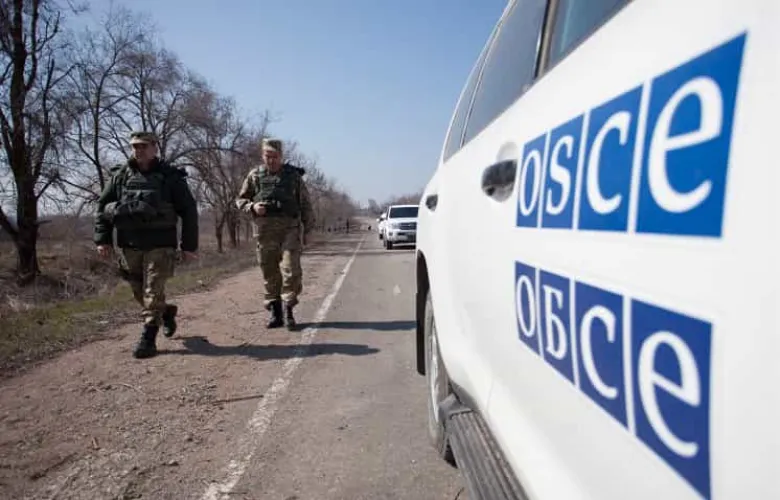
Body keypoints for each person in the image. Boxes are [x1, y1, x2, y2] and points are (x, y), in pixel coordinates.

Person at [94, 131, 199, 359]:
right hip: (129, 243)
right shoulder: (121, 175)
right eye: (135, 146)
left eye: (143, 146)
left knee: (153, 289)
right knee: (138, 289)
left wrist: (189, 246)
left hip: (161, 243)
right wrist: (102, 239)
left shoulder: (170, 176)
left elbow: (189, 211)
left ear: (154, 147)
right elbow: (103, 207)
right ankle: (166, 312)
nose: (139, 150)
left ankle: (148, 338)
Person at [235, 138, 314, 330]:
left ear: (281, 156)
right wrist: (252, 206)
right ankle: (275, 312)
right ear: (263, 156)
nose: (271, 160)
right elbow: (240, 200)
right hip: (264, 232)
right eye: (267, 156)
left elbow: (305, 204)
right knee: (269, 271)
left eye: (275, 156)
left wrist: (308, 230)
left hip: (289, 230)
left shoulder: (293, 177)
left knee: (291, 270)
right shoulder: (255, 176)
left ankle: (288, 310)